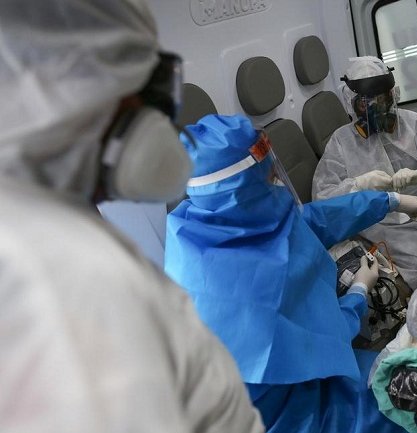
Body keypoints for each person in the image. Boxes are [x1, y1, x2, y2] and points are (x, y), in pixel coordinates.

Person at [0, 2, 263, 432]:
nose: (158, 115)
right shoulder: (70, 282)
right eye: (145, 86)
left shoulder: (54, 229)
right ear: (74, 94)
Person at [164, 113, 417, 433]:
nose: (278, 183)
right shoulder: (228, 290)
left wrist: (389, 201)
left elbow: (308, 221)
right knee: (414, 405)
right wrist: (358, 292)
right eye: (270, 178)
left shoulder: (210, 220)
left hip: (304, 374)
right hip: (288, 412)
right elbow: (323, 338)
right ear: (242, 189)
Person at [312, 56, 417, 290]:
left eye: (382, 99)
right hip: (390, 221)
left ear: (393, 95)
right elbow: (323, 199)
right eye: (366, 103)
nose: (376, 108)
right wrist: (359, 185)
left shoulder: (414, 124)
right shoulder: (341, 142)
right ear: (351, 103)